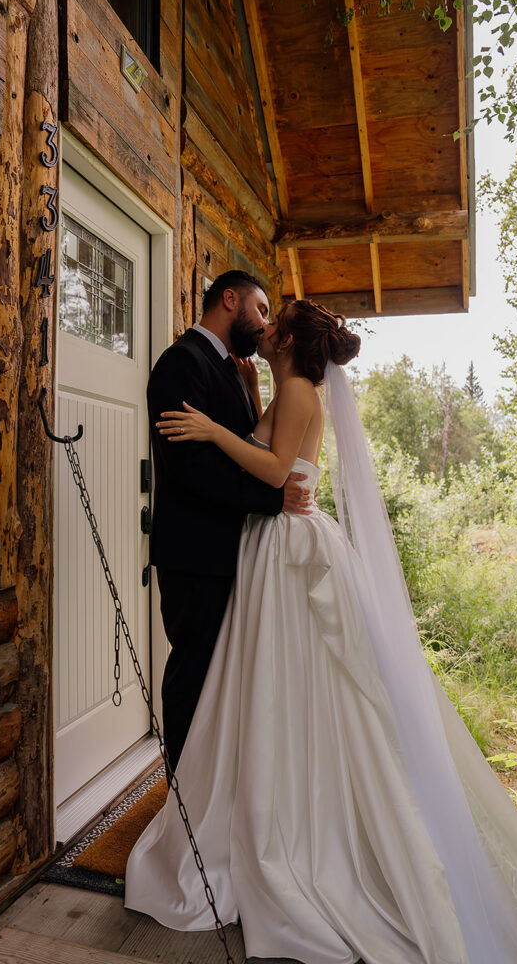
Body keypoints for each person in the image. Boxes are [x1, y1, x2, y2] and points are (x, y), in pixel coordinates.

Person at [127, 299, 517, 963]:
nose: (263, 330)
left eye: (274, 323)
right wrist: (240, 402)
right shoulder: (285, 388)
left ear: (291, 338)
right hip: (274, 543)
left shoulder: (299, 391)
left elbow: (271, 471)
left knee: (301, 679)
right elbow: (264, 450)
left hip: (292, 547)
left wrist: (211, 432)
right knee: (278, 680)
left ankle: (303, 822)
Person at [146, 271, 312, 778]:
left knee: (224, 679)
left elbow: (248, 447)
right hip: (195, 555)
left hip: (229, 552)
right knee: (193, 675)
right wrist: (272, 498)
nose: (264, 323)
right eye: (262, 310)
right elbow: (191, 468)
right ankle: (183, 799)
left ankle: (217, 790)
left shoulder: (231, 370)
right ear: (229, 298)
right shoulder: (181, 364)